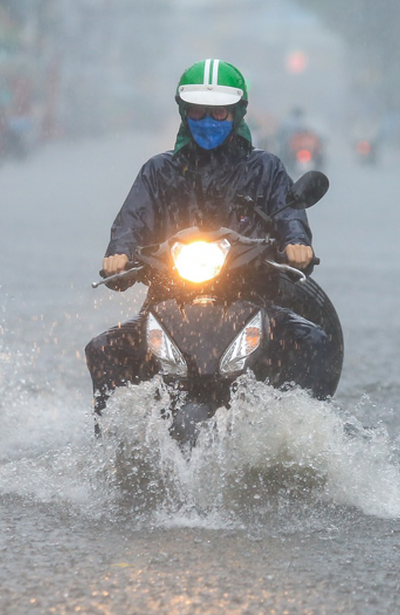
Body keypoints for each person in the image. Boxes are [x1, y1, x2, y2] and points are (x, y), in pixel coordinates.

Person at [84, 58, 335, 419]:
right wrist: (119, 254)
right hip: (169, 300)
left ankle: (303, 433)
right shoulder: (158, 171)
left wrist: (297, 244)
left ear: (237, 114)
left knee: (311, 342)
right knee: (104, 349)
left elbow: (288, 214)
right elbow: (130, 222)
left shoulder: (265, 169)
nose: (208, 121)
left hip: (252, 298)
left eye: (219, 114)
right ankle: (111, 445)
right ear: (185, 113)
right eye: (199, 111)